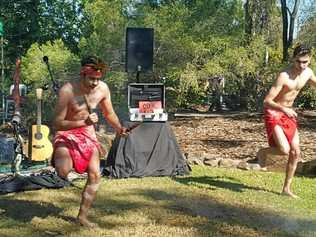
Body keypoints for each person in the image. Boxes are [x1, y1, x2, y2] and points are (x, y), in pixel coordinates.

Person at [52, 55, 128, 227]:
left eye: (97, 79)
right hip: (67, 133)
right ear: (83, 74)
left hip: (87, 134)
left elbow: (109, 114)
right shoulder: (68, 91)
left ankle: (82, 217)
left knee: (95, 174)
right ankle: (58, 159)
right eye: (91, 78)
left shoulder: (103, 89)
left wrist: (119, 129)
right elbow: (56, 123)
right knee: (63, 171)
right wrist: (82, 122)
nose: (95, 83)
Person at [263, 44, 316, 198]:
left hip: (289, 113)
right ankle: (262, 153)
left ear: (310, 60)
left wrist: (288, 110)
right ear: (294, 59)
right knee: (284, 150)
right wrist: (284, 109)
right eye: (299, 61)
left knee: (295, 152)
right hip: (274, 112)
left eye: (305, 62)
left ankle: (286, 189)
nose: (302, 65)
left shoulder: (308, 73)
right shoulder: (284, 76)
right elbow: (267, 101)